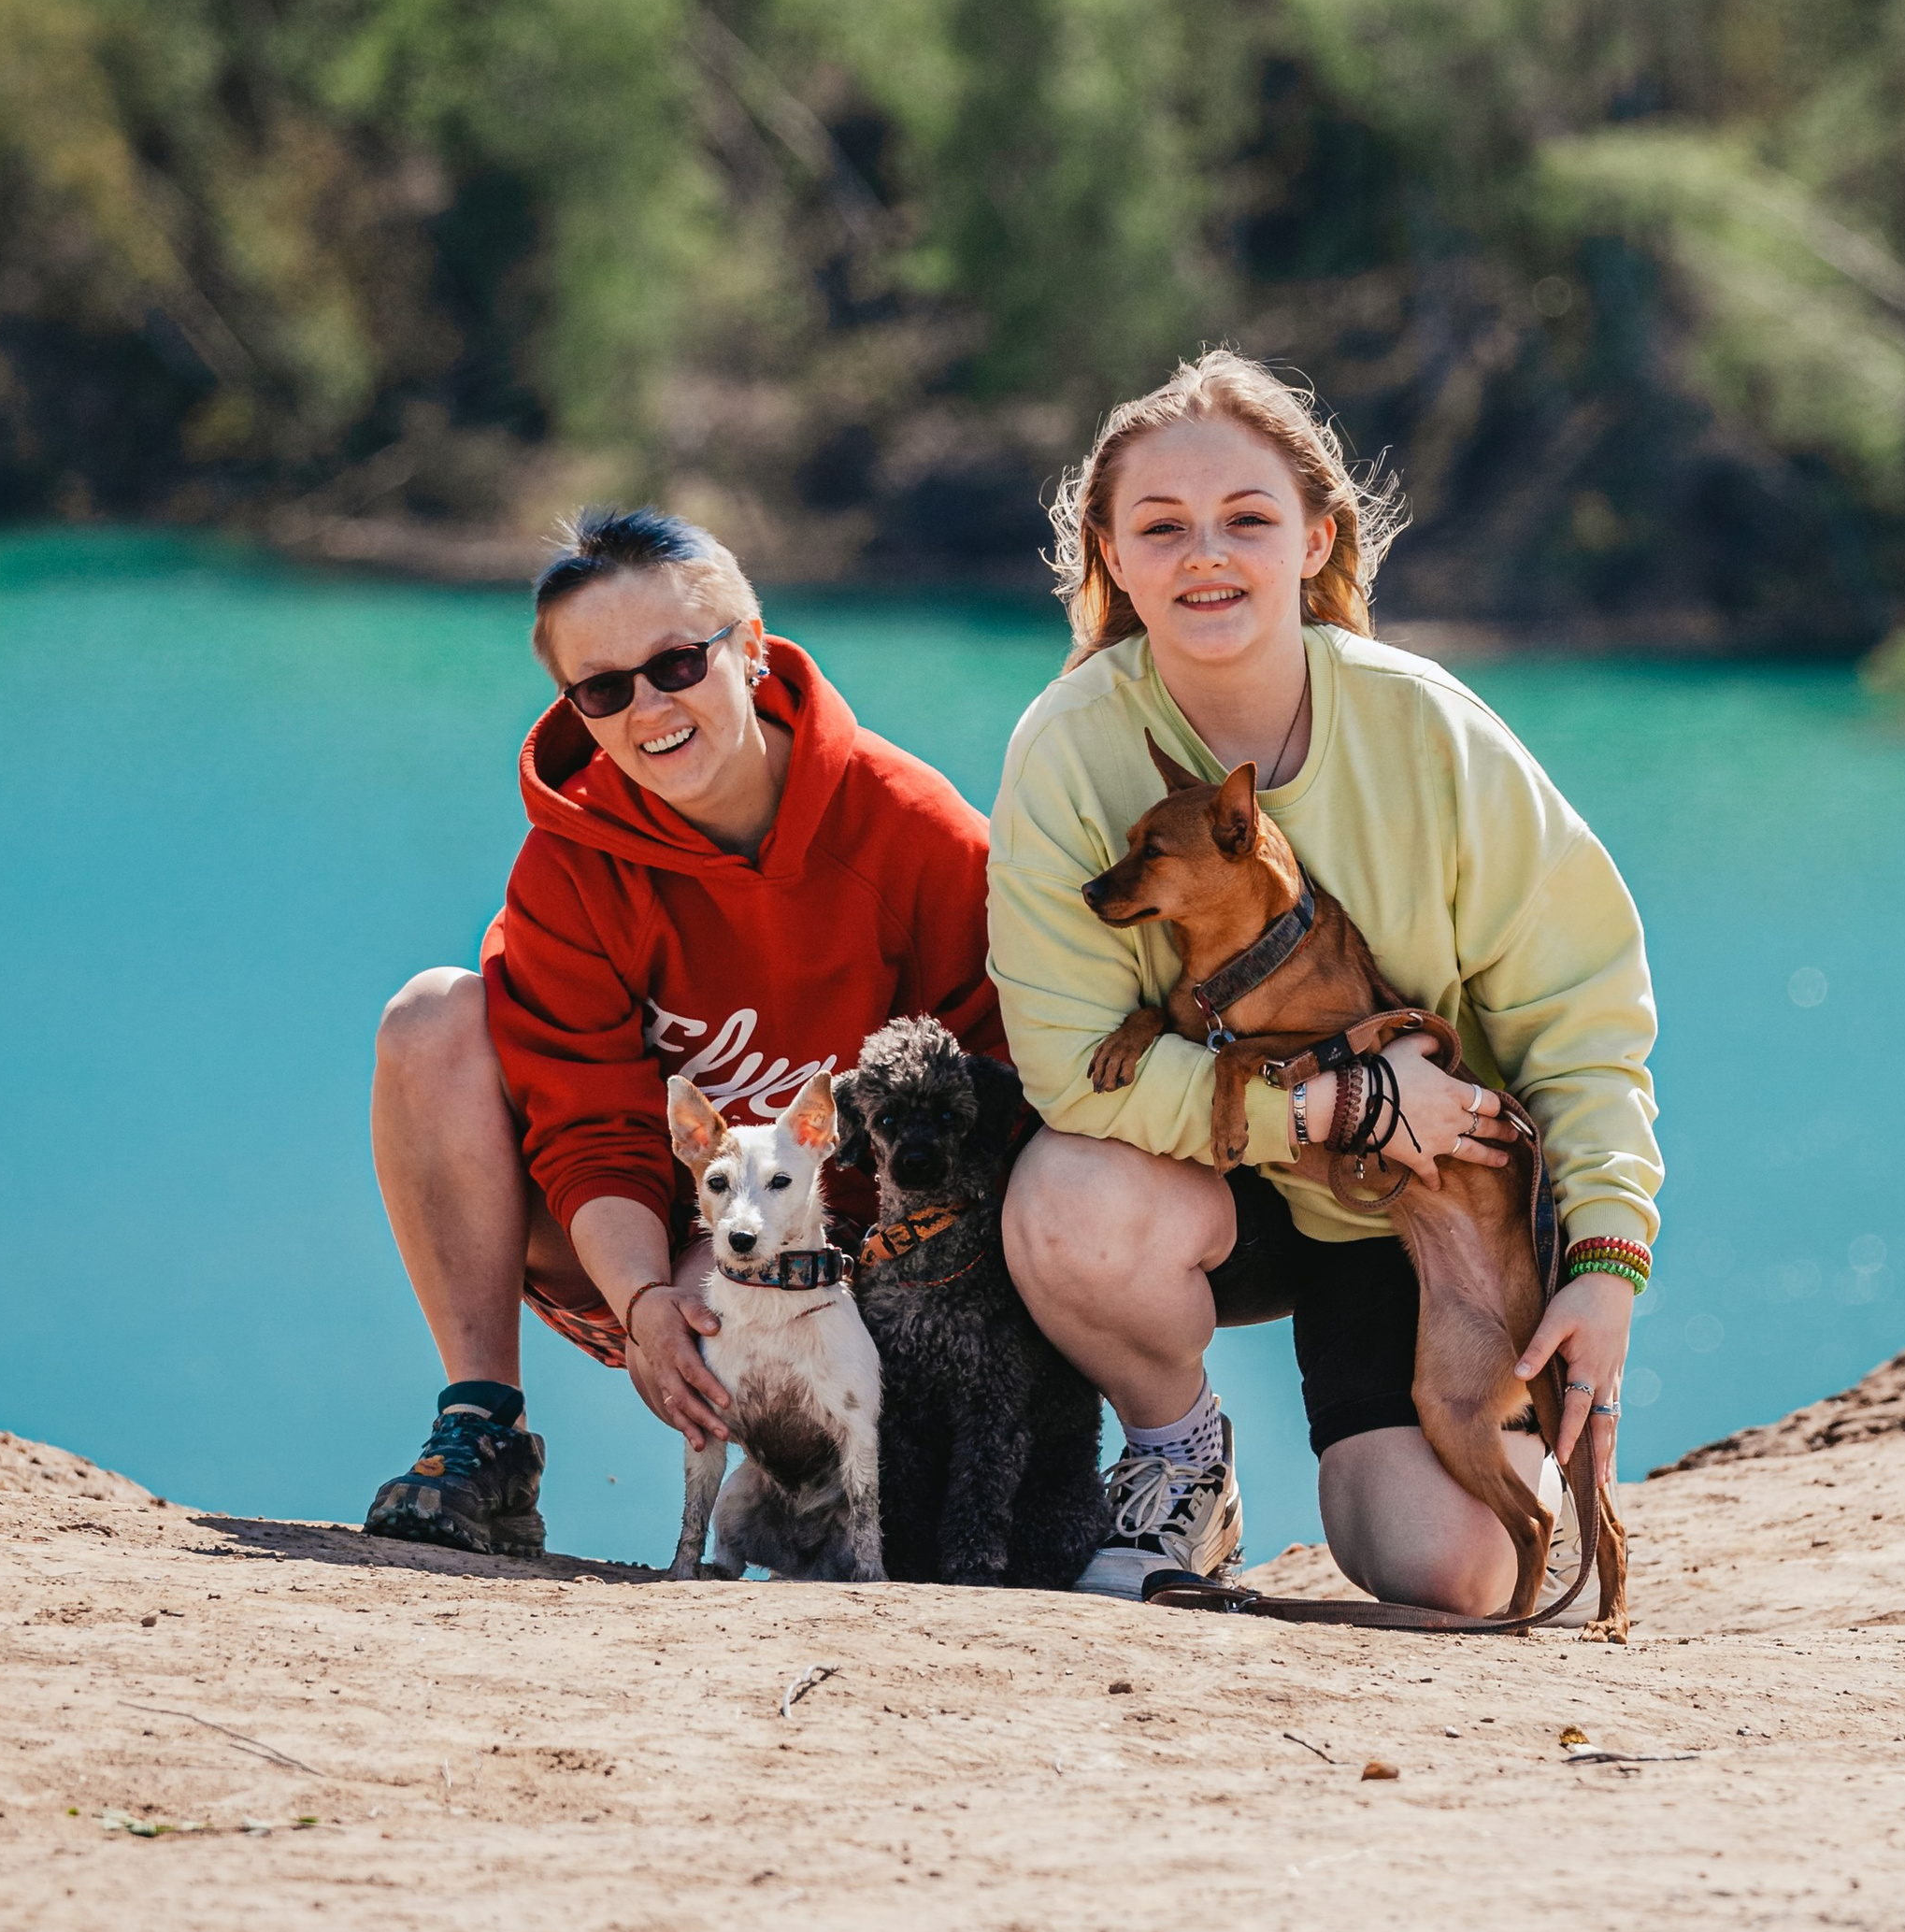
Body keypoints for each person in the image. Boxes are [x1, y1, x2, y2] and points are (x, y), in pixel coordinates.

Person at [988, 351, 1660, 1608]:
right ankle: (1178, 1462)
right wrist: (1326, 1107)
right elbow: (1071, 1061)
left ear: (1315, 539)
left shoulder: (1432, 734)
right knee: (1062, 1197)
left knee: (1454, 1571)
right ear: (1110, 557)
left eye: (1247, 519)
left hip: (1418, 1217)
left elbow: (1582, 1012)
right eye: (1161, 526)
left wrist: (1606, 1261)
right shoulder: (1069, 752)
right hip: (1209, 1189)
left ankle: (1502, 1469)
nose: (1207, 555)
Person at [365, 508, 1003, 1555]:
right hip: (637, 1246)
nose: (647, 707)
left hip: (850, 1259)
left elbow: (992, 1091)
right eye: (604, 689)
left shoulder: (915, 833)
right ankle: (481, 1430)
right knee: (432, 1017)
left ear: (749, 649)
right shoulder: (571, 863)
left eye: (675, 663)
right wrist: (646, 1298)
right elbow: (589, 1125)